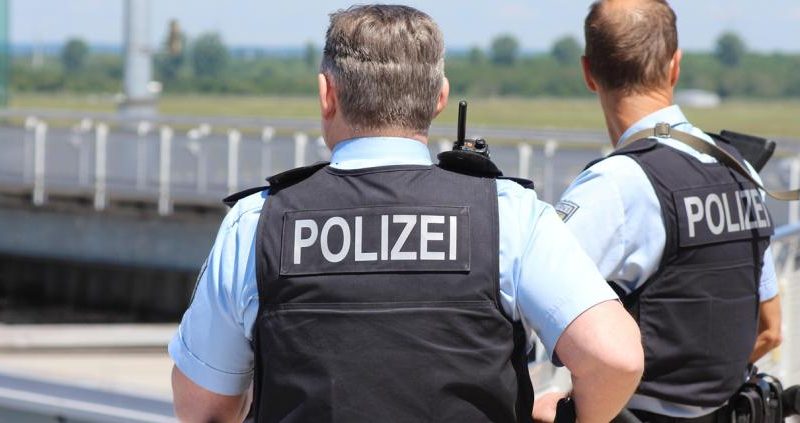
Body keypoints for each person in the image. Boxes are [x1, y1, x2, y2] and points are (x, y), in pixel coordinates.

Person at [169, 5, 643, 422]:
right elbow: (615, 358)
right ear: (440, 98)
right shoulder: (507, 216)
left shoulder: (257, 223)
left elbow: (203, 408)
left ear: (327, 94)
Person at [555, 0, 783, 421]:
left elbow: (521, 309)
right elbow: (770, 330)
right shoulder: (741, 169)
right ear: (675, 66)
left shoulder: (615, 185)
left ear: (588, 72)